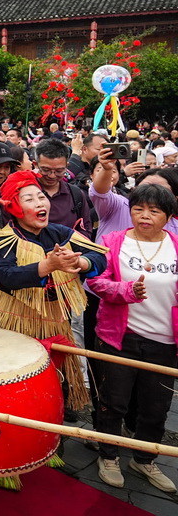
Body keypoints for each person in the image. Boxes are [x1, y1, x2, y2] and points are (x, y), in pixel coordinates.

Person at [0, 170, 106, 411]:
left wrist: (80, 262)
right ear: (15, 207)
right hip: (11, 322)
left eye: (41, 196)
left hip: (54, 321)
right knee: (12, 381)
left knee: (51, 382)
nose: (39, 203)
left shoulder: (61, 234)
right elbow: (5, 276)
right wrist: (47, 266)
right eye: (29, 199)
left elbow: (99, 256)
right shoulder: (6, 238)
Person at [88, 184, 178, 493]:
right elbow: (96, 280)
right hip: (119, 337)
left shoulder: (175, 245)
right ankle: (108, 456)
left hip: (165, 342)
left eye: (154, 211)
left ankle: (144, 459)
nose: (145, 216)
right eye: (138, 209)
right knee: (113, 402)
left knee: (156, 407)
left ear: (168, 216)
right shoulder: (113, 241)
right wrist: (125, 290)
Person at [34, 138, 94, 237]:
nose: (52, 175)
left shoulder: (76, 194)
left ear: (67, 166)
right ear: (35, 165)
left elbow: (86, 230)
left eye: (59, 171)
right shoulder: (25, 192)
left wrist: (69, 245)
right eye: (46, 170)